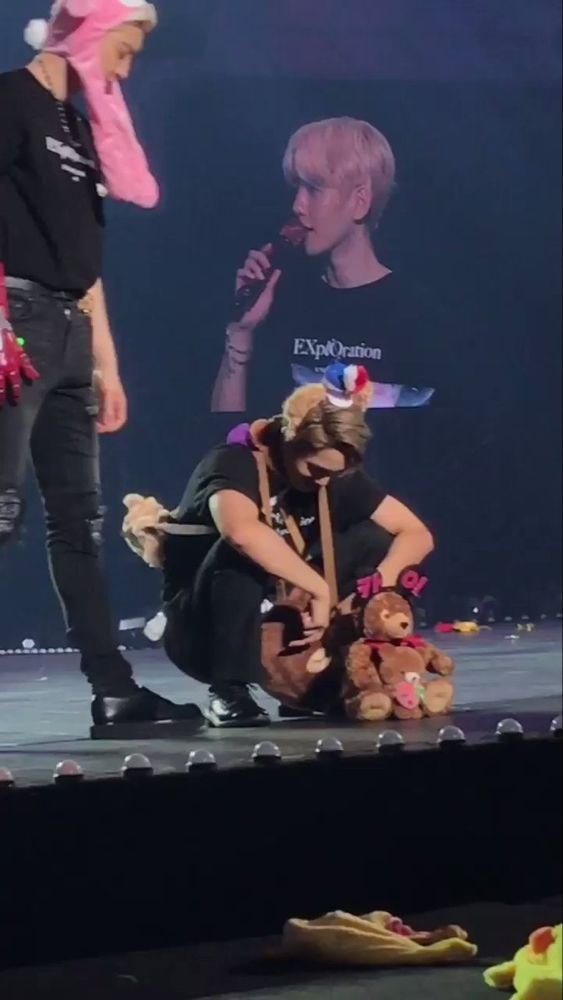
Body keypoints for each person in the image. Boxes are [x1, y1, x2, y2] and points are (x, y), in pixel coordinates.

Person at [0, 0, 201, 732]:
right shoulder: (10, 99)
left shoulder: (77, 128)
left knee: (79, 522)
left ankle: (113, 691)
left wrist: (106, 364)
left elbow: (86, 262)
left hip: (70, 334)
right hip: (14, 324)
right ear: (88, 34)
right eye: (124, 50)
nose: (126, 69)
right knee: (2, 510)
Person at [126, 364, 434, 727]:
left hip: (280, 617)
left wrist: (373, 586)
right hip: (203, 629)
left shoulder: (330, 473)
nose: (323, 482)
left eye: (333, 474)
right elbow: (241, 533)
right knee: (242, 552)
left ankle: (320, 680)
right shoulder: (232, 463)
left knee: (375, 540)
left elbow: (416, 534)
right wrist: (318, 588)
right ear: (290, 440)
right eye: (314, 470)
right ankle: (229, 691)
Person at [211, 116, 440, 426]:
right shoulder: (280, 302)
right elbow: (229, 438)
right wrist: (241, 333)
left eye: (314, 189)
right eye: (297, 188)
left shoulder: (415, 314)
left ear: (360, 202)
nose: (297, 205)